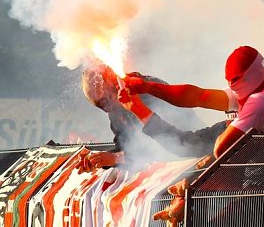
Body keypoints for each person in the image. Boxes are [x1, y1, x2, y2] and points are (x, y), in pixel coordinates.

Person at [121, 46, 264, 158]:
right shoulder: (254, 90)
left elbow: (220, 149)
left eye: (236, 79)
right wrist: (147, 87)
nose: (231, 84)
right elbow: (196, 96)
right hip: (255, 163)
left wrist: (208, 159)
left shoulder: (260, 101)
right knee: (188, 144)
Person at [78, 64, 226, 171]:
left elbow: (172, 145)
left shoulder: (144, 91)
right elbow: (126, 146)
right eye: (100, 106)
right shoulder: (115, 109)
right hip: (172, 167)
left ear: (114, 86)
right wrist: (100, 159)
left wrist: (116, 158)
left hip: (197, 159)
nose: (106, 109)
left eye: (105, 101)